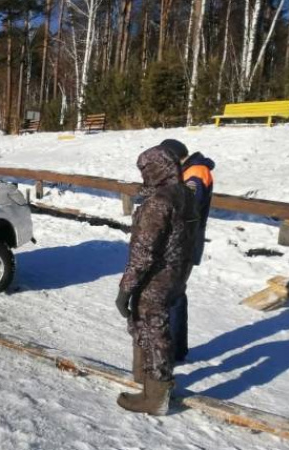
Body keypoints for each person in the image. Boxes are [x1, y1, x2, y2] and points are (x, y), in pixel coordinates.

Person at [114, 145, 198, 415]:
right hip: (176, 272)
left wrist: (126, 288)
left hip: (156, 276)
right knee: (149, 325)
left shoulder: (159, 201)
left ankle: (155, 395)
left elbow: (144, 250)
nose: (143, 174)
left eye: (146, 168)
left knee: (153, 329)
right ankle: (146, 378)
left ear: (158, 167)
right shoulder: (184, 193)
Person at [160, 139, 215, 362]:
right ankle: (177, 348)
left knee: (171, 295)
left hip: (184, 243)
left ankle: (171, 349)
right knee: (175, 293)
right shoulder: (190, 170)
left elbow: (187, 205)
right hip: (183, 242)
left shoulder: (196, 172)